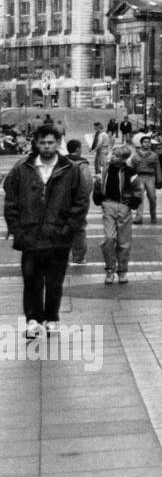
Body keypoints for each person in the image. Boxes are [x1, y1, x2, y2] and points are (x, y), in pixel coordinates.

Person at [4, 125, 90, 338]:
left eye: (50, 142)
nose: (46, 147)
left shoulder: (70, 169)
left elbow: (80, 201)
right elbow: (11, 198)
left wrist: (68, 228)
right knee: (31, 280)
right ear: (36, 143)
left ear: (58, 143)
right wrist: (16, 229)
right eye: (42, 143)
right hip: (30, 235)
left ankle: (51, 318)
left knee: (54, 282)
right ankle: (33, 320)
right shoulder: (22, 167)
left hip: (58, 236)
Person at [95, 144, 144, 283]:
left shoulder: (130, 171)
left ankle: (122, 271)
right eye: (112, 154)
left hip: (124, 206)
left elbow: (138, 188)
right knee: (109, 238)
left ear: (123, 158)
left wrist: (132, 203)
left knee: (124, 242)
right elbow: (98, 183)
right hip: (108, 205)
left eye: (116, 155)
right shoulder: (105, 169)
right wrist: (99, 198)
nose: (112, 157)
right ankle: (110, 268)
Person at [64, 139, 94, 265]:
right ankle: (79, 257)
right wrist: (84, 199)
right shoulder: (82, 164)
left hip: (61, 201)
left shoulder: (61, 162)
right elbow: (87, 184)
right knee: (79, 228)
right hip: (78, 200)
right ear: (78, 149)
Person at [128, 135, 160, 224]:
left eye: (148, 142)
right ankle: (138, 217)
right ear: (141, 143)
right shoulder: (135, 156)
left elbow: (158, 168)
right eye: (145, 142)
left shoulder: (154, 155)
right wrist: (131, 181)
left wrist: (159, 180)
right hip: (139, 177)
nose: (147, 144)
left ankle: (153, 216)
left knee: (152, 198)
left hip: (150, 177)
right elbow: (131, 169)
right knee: (139, 197)